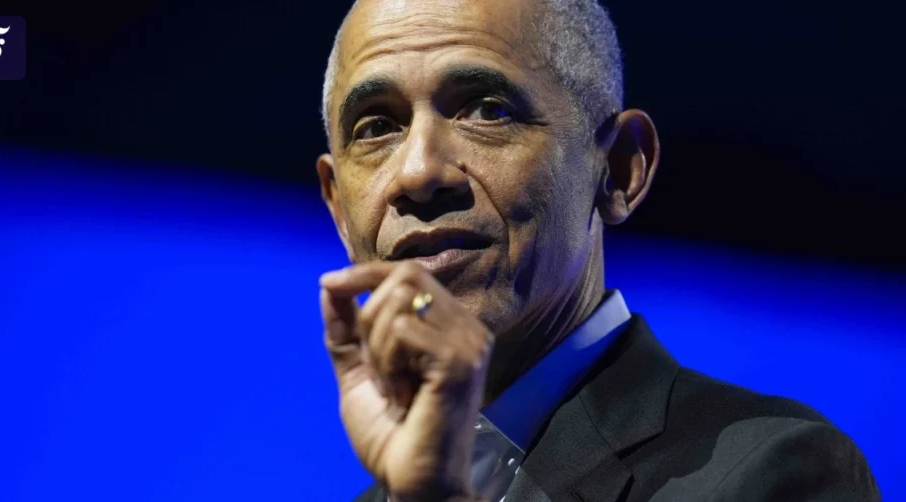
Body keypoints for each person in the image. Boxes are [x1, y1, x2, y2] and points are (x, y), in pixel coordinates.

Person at [314, 0, 880, 500]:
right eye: (376, 127)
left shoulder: (774, 472)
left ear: (618, 169)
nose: (418, 172)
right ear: (338, 207)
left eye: (487, 109)